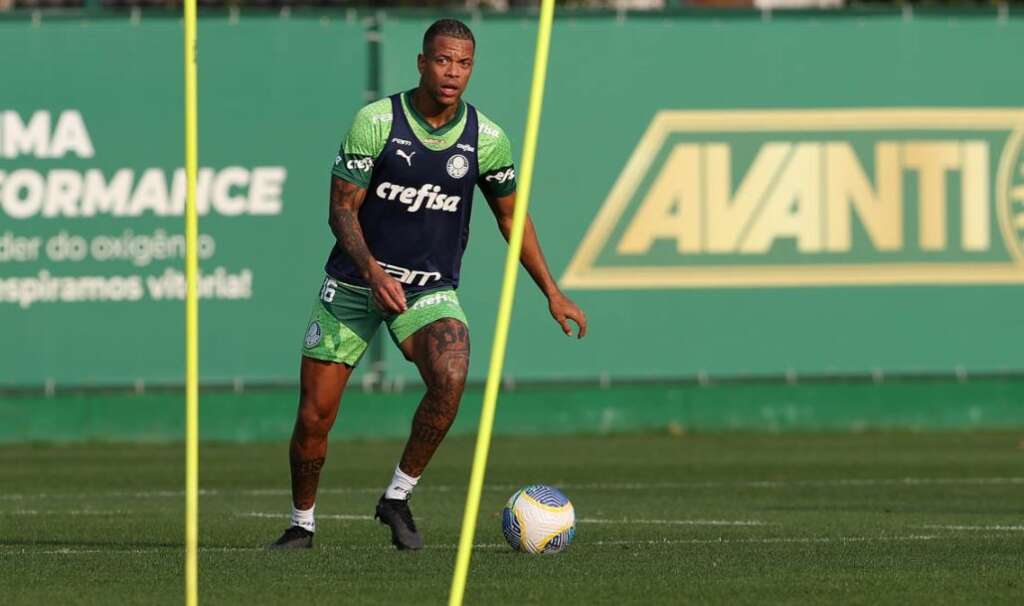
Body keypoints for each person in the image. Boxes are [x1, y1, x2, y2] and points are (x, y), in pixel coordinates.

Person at [269, 18, 587, 551]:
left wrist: (552, 292)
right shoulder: (377, 122)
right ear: (422, 63)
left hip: (426, 291)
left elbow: (512, 218)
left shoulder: (487, 139)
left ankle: (397, 496)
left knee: (452, 373)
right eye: (442, 60)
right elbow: (341, 211)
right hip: (353, 285)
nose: (452, 72)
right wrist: (372, 272)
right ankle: (302, 524)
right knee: (314, 417)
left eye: (463, 63)